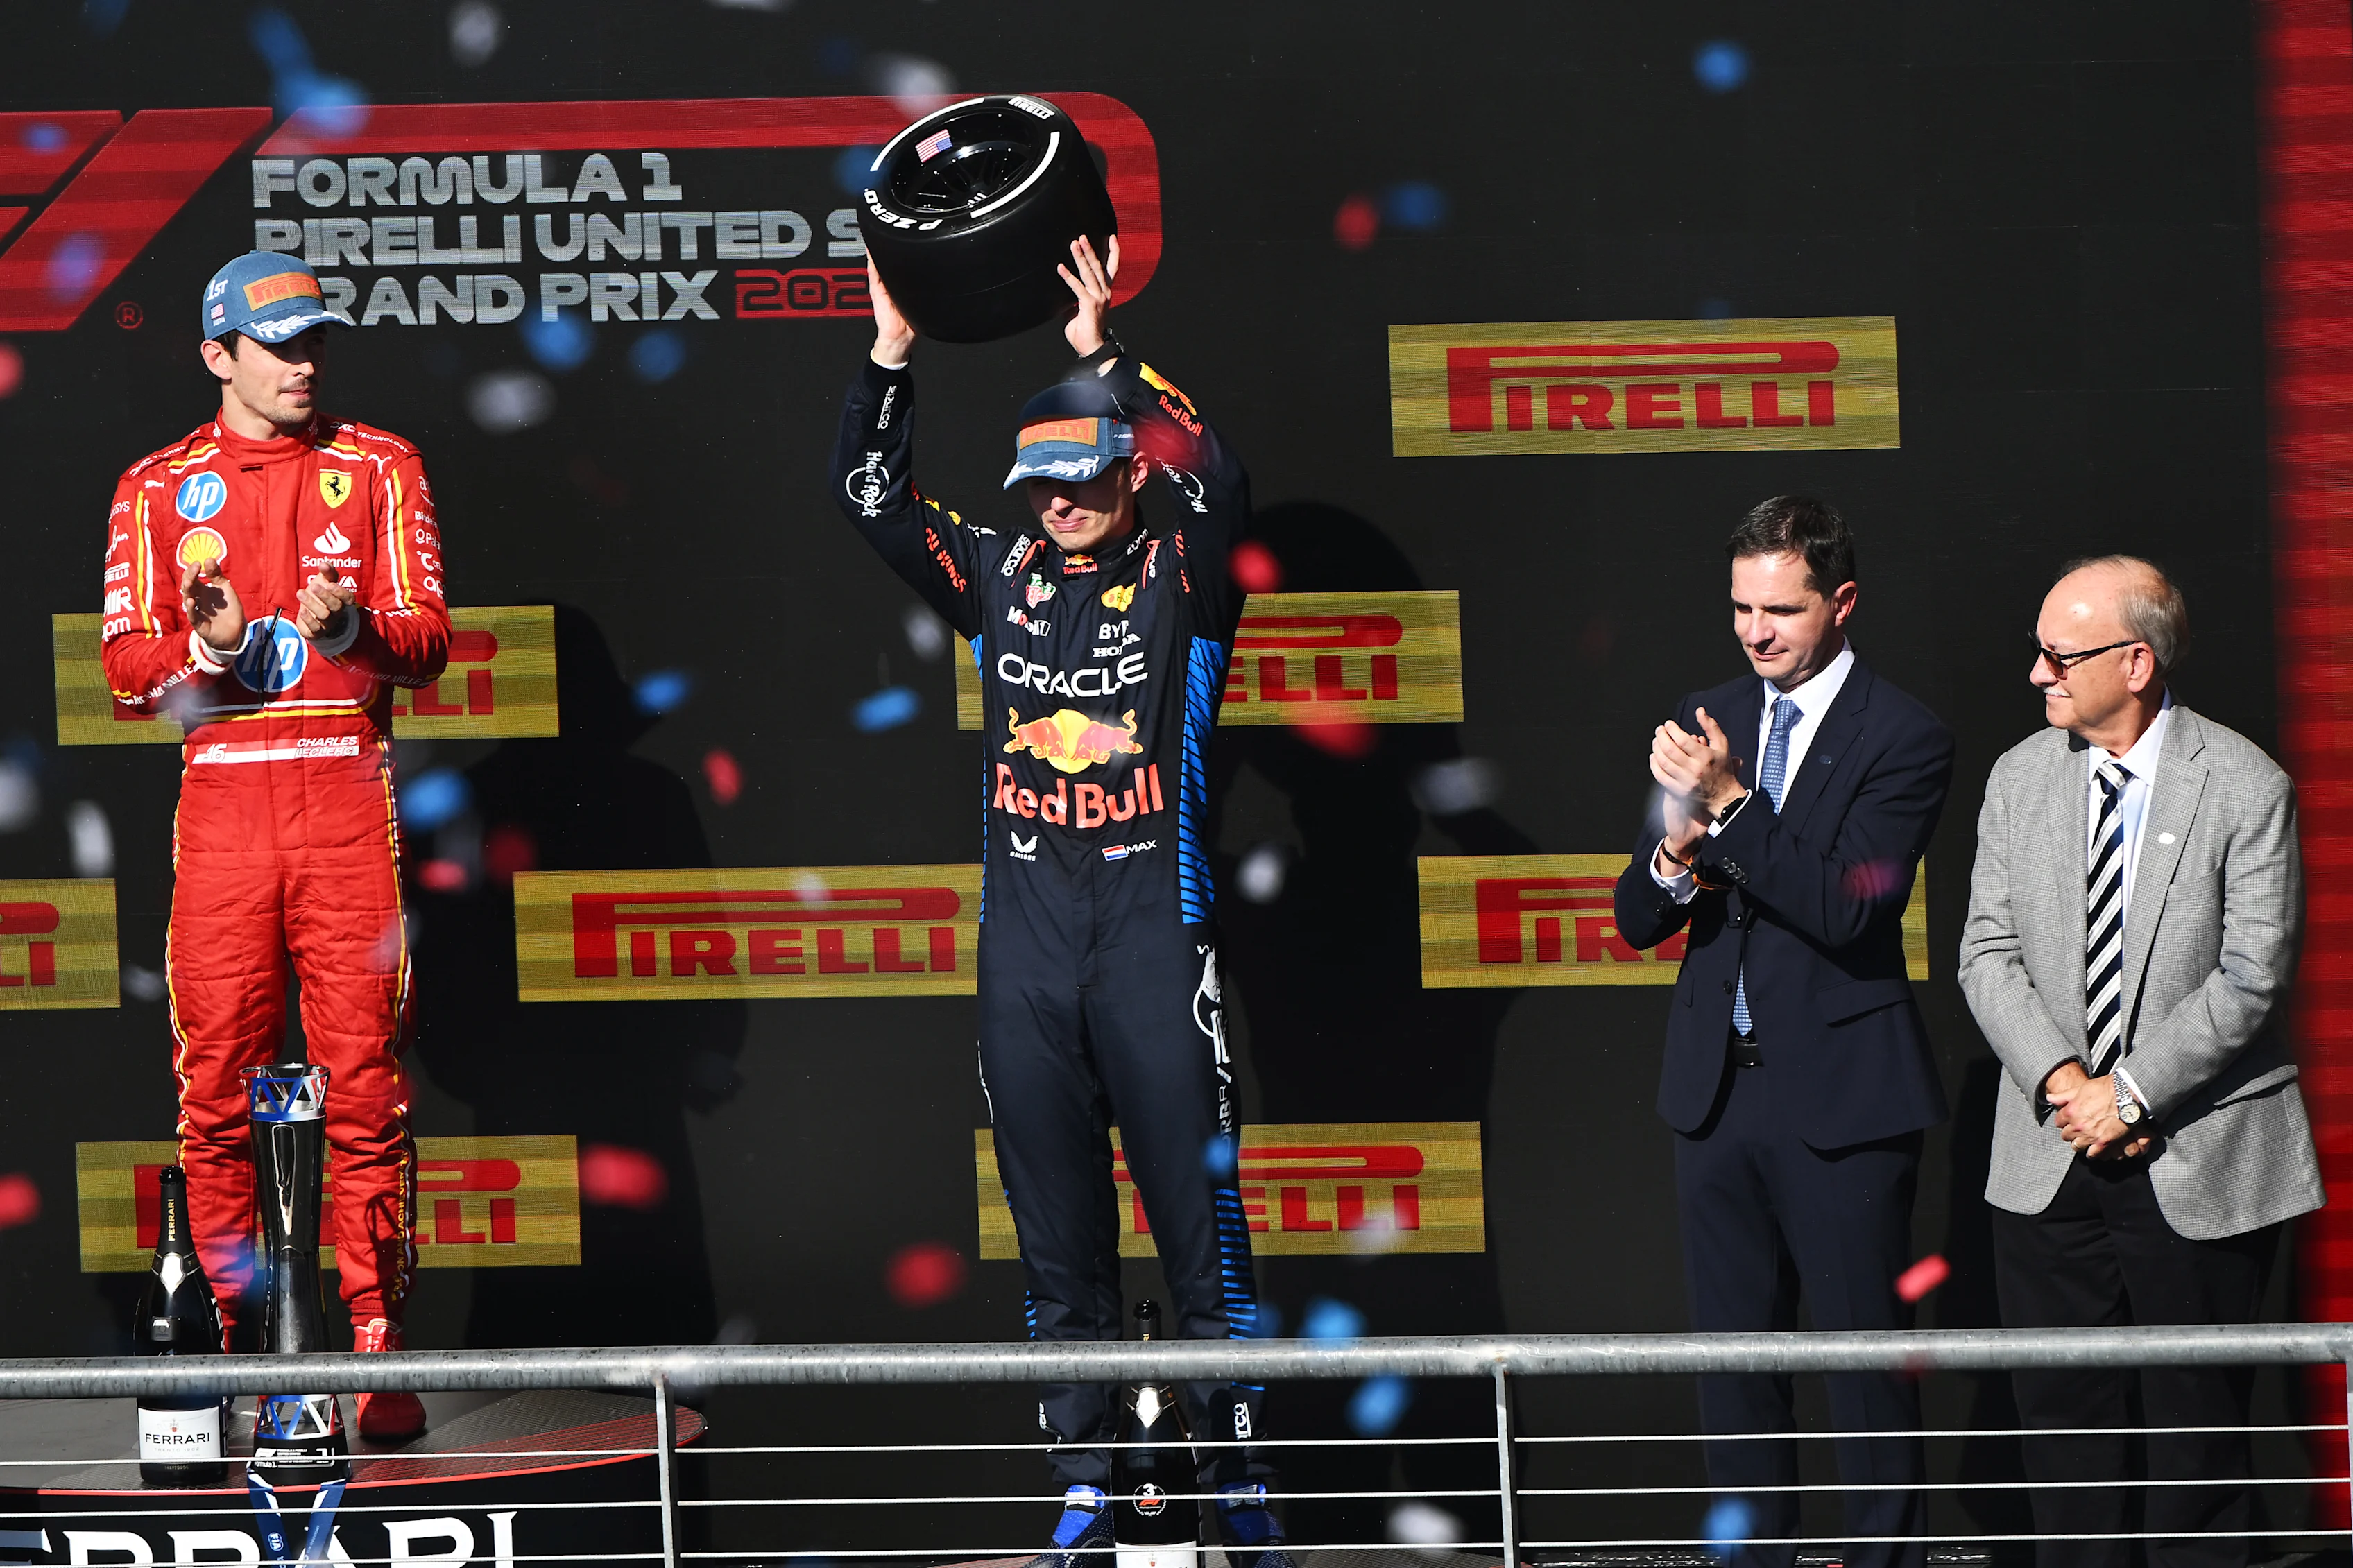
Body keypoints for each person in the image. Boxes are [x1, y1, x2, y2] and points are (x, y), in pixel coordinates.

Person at [829, 236, 1288, 1568]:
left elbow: (1226, 480)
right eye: (1038, 487)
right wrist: (891, 357)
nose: (1058, 507)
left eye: (1083, 483)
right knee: (1055, 1252)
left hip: (1156, 937)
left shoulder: (1190, 578)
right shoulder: (998, 572)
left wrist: (1107, 353)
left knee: (1207, 1249)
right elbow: (869, 498)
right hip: (1025, 954)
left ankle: (1241, 1482)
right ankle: (1085, 1480)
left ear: (1129, 470)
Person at [99, 251, 448, 1440]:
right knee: (213, 1091)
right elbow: (124, 682)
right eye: (279, 344)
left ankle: (376, 1349)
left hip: (346, 798)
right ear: (218, 356)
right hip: (228, 813)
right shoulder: (155, 489)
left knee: (365, 1089)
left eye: (315, 341)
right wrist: (205, 654)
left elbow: (429, 643)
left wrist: (352, 627)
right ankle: (241, 1353)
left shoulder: (380, 464)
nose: (305, 363)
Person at [1611, 497, 1953, 1568]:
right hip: (1715, 1097)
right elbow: (1635, 916)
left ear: (1840, 603)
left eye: (1782, 610)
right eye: (1740, 608)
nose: (1756, 632)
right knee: (1735, 1379)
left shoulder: (1905, 736)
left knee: (1863, 1374)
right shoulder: (1708, 709)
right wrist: (1673, 853)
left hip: (1846, 1099)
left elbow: (1852, 907)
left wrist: (1730, 803)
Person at [1959, 556, 2320, 1568]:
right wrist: (2068, 1087)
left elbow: (2252, 978)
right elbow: (1984, 954)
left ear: (2137, 661)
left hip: (2198, 1157)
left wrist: (2132, 1092)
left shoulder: (2247, 785)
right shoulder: (2019, 777)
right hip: (2050, 1160)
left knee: (2197, 1438)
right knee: (2066, 1437)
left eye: (2058, 655)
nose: (2037, 674)